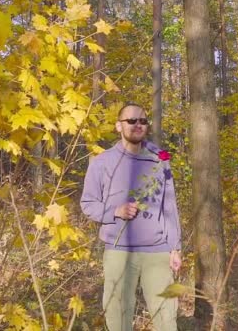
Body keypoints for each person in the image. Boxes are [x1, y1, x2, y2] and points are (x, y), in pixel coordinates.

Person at [81, 103, 182, 331]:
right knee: (117, 318)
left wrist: (175, 247)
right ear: (119, 126)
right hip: (119, 251)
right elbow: (88, 204)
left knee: (166, 319)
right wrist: (115, 211)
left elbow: (169, 205)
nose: (138, 125)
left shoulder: (159, 159)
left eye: (143, 121)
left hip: (157, 251)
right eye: (132, 121)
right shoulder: (102, 162)